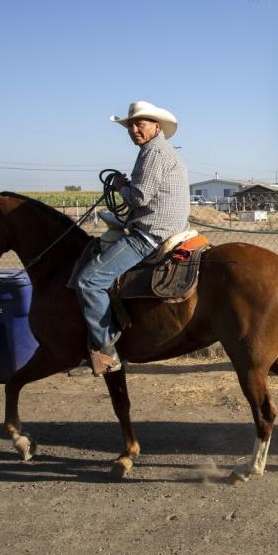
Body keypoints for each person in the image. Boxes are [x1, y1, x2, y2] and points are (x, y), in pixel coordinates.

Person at [74, 101, 190, 375]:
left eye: (141, 124)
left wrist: (120, 185)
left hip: (151, 232)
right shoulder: (160, 151)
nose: (134, 130)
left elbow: (138, 196)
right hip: (167, 225)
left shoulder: (153, 152)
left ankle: (107, 352)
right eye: (131, 126)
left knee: (88, 281)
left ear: (156, 127)